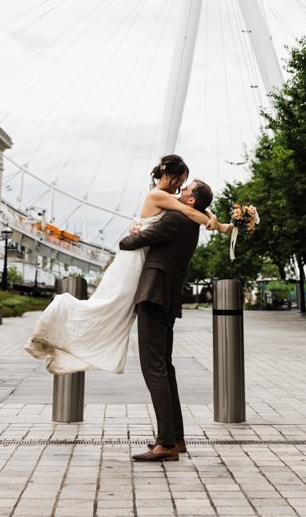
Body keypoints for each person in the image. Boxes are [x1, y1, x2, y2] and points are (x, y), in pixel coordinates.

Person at [24, 154, 227, 374]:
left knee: (118, 310)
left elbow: (195, 206)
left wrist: (212, 216)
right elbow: (190, 209)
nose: (181, 186)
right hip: (135, 258)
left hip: (142, 257)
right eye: (181, 179)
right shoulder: (158, 195)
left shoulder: (168, 197)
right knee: (110, 304)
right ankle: (59, 317)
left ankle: (72, 346)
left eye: (185, 183)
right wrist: (219, 226)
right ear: (170, 174)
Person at [119, 177, 217, 463]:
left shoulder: (176, 219)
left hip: (154, 296)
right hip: (168, 298)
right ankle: (176, 437)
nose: (179, 191)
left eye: (185, 190)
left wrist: (130, 232)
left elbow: (133, 242)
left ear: (191, 201)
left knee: (155, 370)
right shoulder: (191, 223)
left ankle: (166, 443)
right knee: (166, 368)